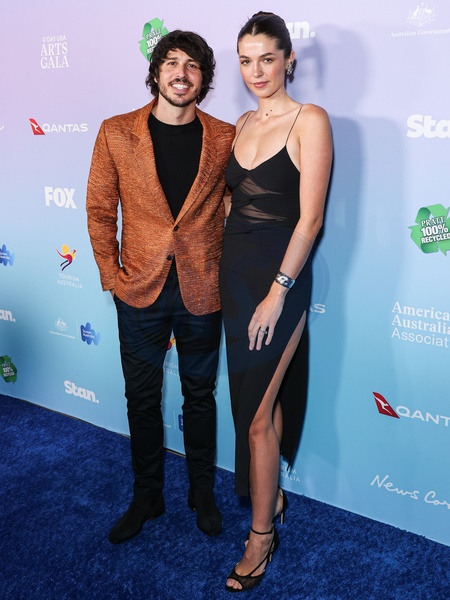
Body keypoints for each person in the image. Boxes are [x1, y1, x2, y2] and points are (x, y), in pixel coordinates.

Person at [86, 30, 235, 543]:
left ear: (204, 78)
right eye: (171, 63)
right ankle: (147, 495)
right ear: (156, 73)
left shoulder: (225, 136)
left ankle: (201, 491)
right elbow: (100, 209)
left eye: (192, 65)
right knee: (142, 398)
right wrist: (111, 276)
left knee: (200, 396)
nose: (181, 73)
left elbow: (233, 206)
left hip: (203, 288)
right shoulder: (115, 132)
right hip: (138, 288)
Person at [219, 12, 333, 592]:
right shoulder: (241, 122)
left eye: (267, 58)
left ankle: (261, 536)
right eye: (245, 60)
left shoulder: (309, 119)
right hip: (235, 279)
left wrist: (277, 292)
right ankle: (275, 498)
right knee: (260, 402)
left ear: (289, 59)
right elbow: (229, 205)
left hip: (279, 282)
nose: (256, 71)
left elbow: (310, 219)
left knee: (256, 417)